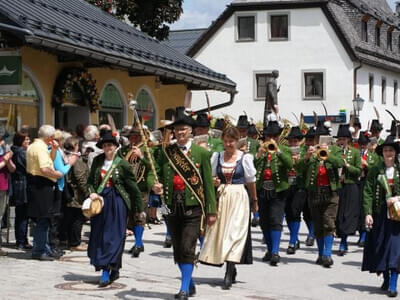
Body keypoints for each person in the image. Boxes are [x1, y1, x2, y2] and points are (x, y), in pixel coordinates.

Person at [152, 107, 217, 300]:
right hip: (171, 206)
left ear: (191, 131)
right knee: (178, 248)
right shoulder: (166, 152)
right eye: (177, 129)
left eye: (184, 129)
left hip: (193, 208)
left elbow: (207, 184)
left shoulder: (202, 154)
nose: (180, 132)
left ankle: (183, 289)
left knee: (188, 246)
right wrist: (153, 185)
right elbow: (152, 171)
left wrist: (211, 210)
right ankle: (189, 281)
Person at [199, 126, 257, 289]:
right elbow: (210, 178)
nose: (228, 144)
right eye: (225, 141)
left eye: (231, 141)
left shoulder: (245, 158)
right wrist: (215, 182)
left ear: (237, 141)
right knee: (222, 233)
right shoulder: (217, 156)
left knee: (234, 233)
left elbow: (251, 181)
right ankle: (230, 267)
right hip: (222, 197)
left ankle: (229, 271)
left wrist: (255, 200)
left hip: (239, 196)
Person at [87, 130, 143, 286]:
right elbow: (90, 182)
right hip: (100, 202)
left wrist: (139, 207)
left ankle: (109, 270)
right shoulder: (98, 161)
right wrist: (91, 193)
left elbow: (132, 186)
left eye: (110, 145)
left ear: (115, 146)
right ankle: (108, 267)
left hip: (118, 201)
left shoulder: (123, 164)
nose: (107, 148)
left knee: (115, 236)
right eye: (105, 145)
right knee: (100, 235)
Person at [297, 121, 343, 268]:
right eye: (316, 138)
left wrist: (327, 154)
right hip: (314, 191)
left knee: (328, 222)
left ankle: (327, 254)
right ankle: (320, 253)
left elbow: (340, 163)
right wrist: (307, 157)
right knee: (317, 223)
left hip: (330, 191)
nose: (318, 141)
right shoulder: (307, 151)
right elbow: (298, 168)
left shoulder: (334, 150)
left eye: (321, 138)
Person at [362, 135, 400, 297]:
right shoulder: (375, 170)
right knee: (380, 246)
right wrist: (368, 213)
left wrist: (397, 198)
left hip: (398, 216)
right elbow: (368, 192)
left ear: (395, 153)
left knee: (395, 249)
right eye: (385, 150)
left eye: (391, 150)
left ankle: (393, 283)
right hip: (380, 215)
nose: (388, 153)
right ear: (382, 152)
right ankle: (385, 277)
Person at [256, 120, 293, 266]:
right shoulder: (261, 150)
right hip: (262, 189)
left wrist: (278, 150)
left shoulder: (285, 149)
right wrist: (258, 155)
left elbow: (290, 165)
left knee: (275, 220)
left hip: (278, 190)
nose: (271, 139)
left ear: (279, 137)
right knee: (264, 221)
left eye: (274, 136)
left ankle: (276, 252)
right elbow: (252, 167)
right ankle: (270, 250)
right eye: (268, 136)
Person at [27, 125, 63, 261]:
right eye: (53, 137)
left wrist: (54, 149)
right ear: (49, 137)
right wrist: (57, 174)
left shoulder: (34, 146)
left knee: (43, 219)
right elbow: (45, 168)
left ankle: (42, 248)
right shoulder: (40, 148)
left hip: (37, 184)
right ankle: (39, 250)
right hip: (42, 185)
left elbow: (50, 160)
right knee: (44, 219)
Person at [118, 126, 154, 258]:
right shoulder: (122, 151)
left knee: (140, 215)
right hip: (126, 189)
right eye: (131, 137)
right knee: (128, 217)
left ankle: (138, 243)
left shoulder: (147, 150)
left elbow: (153, 167)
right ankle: (137, 242)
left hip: (141, 188)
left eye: (135, 137)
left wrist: (141, 156)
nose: (133, 139)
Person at [335, 124, 361, 256]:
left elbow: (359, 171)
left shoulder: (355, 152)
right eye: (340, 139)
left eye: (344, 139)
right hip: (337, 186)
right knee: (338, 214)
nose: (342, 141)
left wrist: (347, 165)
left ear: (348, 140)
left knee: (348, 215)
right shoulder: (334, 151)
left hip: (350, 186)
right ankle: (340, 237)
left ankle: (343, 242)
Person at [284, 126, 307, 254]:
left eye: (295, 141)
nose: (293, 144)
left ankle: (292, 241)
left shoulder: (304, 152)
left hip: (299, 185)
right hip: (287, 184)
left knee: (295, 212)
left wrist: (300, 161)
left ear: (300, 141)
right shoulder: (285, 151)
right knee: (288, 213)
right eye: (291, 141)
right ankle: (295, 238)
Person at [63, 136, 89, 251]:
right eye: (78, 145)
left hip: (69, 193)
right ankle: (75, 243)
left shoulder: (65, 156)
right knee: (77, 218)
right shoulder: (76, 159)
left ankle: (69, 240)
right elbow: (80, 178)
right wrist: (88, 193)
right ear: (75, 146)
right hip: (76, 195)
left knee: (70, 218)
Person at [356, 131, 379, 247]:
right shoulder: (355, 154)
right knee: (357, 209)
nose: (362, 146)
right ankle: (360, 232)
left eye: (364, 144)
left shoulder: (372, 156)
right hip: (356, 183)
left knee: (364, 208)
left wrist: (366, 164)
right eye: (360, 144)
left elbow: (376, 171)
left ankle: (364, 235)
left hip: (366, 183)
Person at [10, 131, 32, 250]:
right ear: (20, 141)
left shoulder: (16, 151)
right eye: (26, 140)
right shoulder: (21, 153)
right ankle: (22, 241)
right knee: (23, 215)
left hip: (19, 184)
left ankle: (22, 240)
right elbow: (28, 167)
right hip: (22, 185)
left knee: (21, 215)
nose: (29, 142)